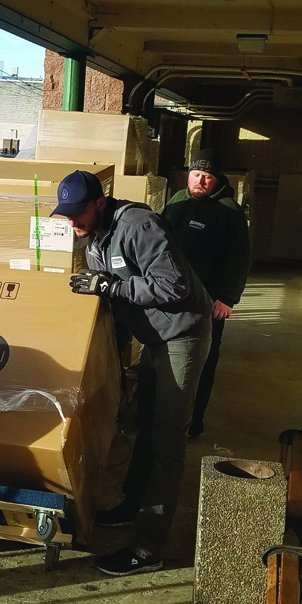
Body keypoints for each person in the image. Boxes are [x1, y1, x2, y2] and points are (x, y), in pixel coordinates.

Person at [52, 170, 212, 577]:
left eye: (79, 213)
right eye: (67, 215)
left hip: (182, 334)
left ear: (100, 203)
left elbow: (173, 286)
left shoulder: (139, 225)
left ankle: (148, 546)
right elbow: (114, 304)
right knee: (144, 423)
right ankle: (131, 504)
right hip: (154, 337)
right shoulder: (94, 239)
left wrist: (110, 287)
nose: (73, 222)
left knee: (168, 439)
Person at [162, 149, 250, 438]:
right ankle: (162, 416)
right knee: (166, 357)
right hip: (170, 297)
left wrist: (227, 297)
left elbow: (239, 258)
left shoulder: (229, 212)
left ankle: (192, 422)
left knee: (202, 362)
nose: (200, 180)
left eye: (207, 177)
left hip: (208, 303)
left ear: (217, 179)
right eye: (196, 174)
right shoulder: (177, 201)